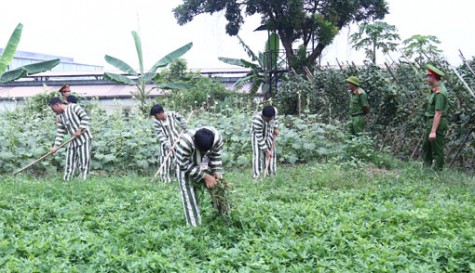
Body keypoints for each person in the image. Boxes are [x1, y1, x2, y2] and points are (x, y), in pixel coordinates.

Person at [175, 127, 224, 226]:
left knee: (219, 188)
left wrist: (216, 171)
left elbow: (216, 155)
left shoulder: (217, 138)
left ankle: (223, 216)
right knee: (189, 196)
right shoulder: (185, 142)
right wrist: (205, 176)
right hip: (187, 165)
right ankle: (194, 226)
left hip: (206, 162)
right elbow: (182, 164)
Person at [49, 97, 92, 181]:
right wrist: (55, 146)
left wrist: (80, 129)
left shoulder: (73, 107)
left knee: (83, 161)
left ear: (57, 105)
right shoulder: (60, 117)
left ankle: (83, 181)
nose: (53, 111)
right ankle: (66, 180)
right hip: (72, 140)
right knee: (69, 161)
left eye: (53, 108)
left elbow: (85, 118)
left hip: (84, 139)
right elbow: (60, 132)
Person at [150, 104, 188, 183]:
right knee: (165, 162)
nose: (155, 117)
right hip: (165, 145)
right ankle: (164, 180)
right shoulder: (156, 122)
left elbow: (181, 117)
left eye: (156, 116)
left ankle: (178, 178)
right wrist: (168, 146)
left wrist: (183, 123)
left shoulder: (171, 114)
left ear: (160, 113)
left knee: (178, 161)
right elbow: (160, 135)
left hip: (177, 141)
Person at [422, 64, 449, 170]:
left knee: (436, 148)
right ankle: (426, 169)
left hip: (436, 121)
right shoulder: (436, 89)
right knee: (426, 146)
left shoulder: (440, 93)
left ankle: (437, 171)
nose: (426, 79)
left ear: (432, 77)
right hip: (432, 121)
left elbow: (438, 113)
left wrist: (433, 131)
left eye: (427, 77)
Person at [251, 105, 279, 179]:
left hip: (269, 130)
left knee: (272, 153)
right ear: (263, 116)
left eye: (270, 119)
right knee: (258, 155)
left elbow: (275, 119)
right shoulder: (257, 120)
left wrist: (276, 128)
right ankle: (257, 176)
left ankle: (271, 174)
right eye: (267, 119)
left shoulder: (274, 111)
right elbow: (259, 138)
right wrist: (266, 150)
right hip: (257, 136)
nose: (269, 120)